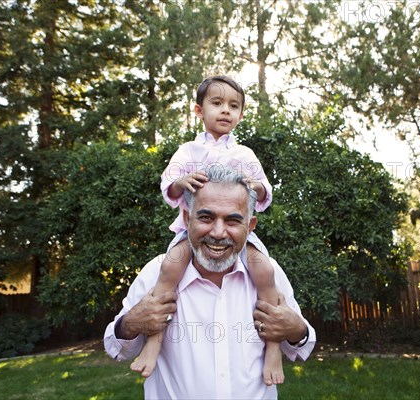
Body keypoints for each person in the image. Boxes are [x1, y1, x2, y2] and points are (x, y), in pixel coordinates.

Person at [104, 166, 316, 399]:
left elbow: (302, 347)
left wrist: (297, 329)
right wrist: (131, 323)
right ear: (187, 219)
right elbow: (117, 349)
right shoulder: (158, 271)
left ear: (250, 226)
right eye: (206, 217)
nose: (217, 232)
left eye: (233, 221)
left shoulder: (268, 273)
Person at [130, 75, 283, 385]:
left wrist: (253, 186)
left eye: (234, 106)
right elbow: (168, 184)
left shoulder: (245, 156)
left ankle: (274, 348)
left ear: (241, 114)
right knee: (170, 271)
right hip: (192, 234)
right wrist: (180, 183)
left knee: (265, 272)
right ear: (199, 111)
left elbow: (265, 192)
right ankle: (154, 341)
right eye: (217, 103)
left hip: (239, 237)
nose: (225, 111)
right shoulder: (188, 152)